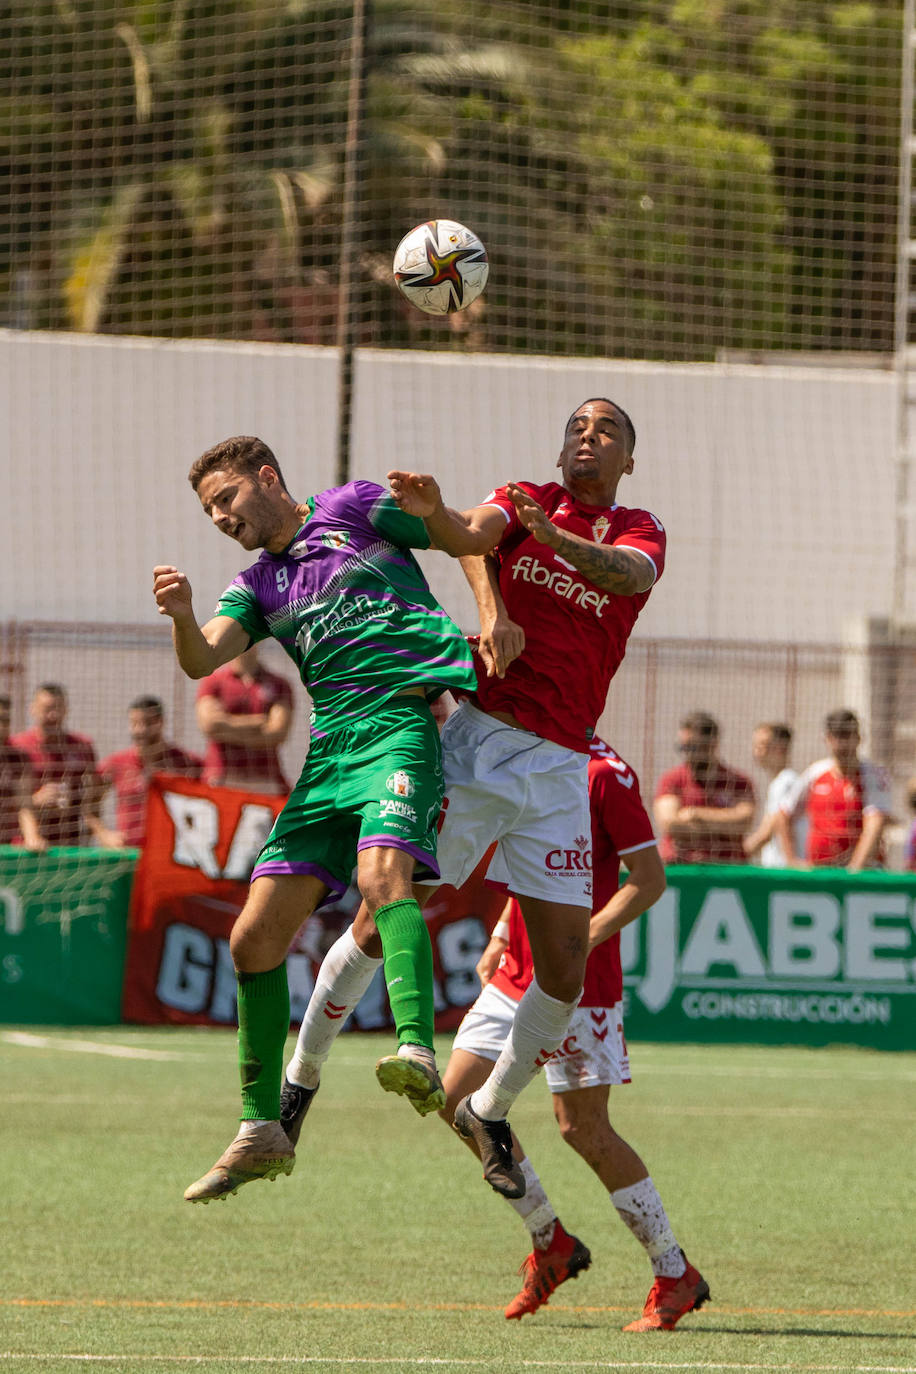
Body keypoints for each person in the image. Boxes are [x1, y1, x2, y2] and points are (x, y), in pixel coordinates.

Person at [281, 397, 666, 1200]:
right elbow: (471, 535)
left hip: (563, 768)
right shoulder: (524, 498)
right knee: (378, 921)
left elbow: (626, 575)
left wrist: (552, 539)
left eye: (606, 432)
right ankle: (297, 1086)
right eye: (575, 428)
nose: (587, 438)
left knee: (562, 968)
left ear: (628, 459)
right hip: (483, 746)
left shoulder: (639, 528)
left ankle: (490, 1110)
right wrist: (437, 515)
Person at [153, 434, 477, 1203]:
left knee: (381, 876)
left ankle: (416, 1049)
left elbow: (459, 537)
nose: (220, 517)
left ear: (268, 478)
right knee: (252, 939)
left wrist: (454, 546)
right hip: (330, 755)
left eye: (226, 498)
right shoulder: (257, 584)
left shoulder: (355, 507)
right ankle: (261, 1129)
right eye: (209, 511)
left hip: (401, 724)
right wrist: (182, 614)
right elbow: (202, 661)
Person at [441, 738, 708, 1331]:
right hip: (516, 975)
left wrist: (578, 941)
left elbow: (648, 878)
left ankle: (674, 1273)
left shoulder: (605, 775)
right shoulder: (526, 753)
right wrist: (505, 935)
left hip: (578, 984)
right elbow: (531, 859)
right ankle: (551, 1239)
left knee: (582, 1127)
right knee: (457, 1101)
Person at [776, 709, 892, 871]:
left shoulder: (872, 775)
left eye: (847, 735)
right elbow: (783, 815)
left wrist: (854, 870)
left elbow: (875, 824)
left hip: (861, 872)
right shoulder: (815, 773)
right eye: (836, 736)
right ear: (827, 739)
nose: (842, 743)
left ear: (858, 738)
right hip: (820, 870)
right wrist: (791, 861)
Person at [92, 696, 203, 848]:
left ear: (161, 722)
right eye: (134, 723)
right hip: (130, 855)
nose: (140, 730)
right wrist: (104, 834)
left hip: (172, 856)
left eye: (147, 723)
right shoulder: (116, 764)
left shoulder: (187, 763)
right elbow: (89, 803)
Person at [653, 712, 755, 864]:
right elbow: (670, 823)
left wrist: (695, 814)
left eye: (693, 747)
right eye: (683, 747)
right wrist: (724, 823)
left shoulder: (738, 781)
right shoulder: (673, 779)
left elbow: (743, 823)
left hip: (726, 867)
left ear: (712, 744)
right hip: (681, 864)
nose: (687, 753)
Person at [10, 683, 99, 847]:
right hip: (26, 845)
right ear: (33, 709)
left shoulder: (82, 746)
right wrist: (35, 800)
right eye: (47, 709)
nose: (53, 715)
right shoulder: (17, 746)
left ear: (66, 710)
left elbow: (94, 796)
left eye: (58, 708)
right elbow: (6, 800)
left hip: (69, 843)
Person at [196, 645, 293, 794]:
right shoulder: (214, 681)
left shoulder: (279, 684)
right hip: (221, 776)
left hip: (264, 778)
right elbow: (210, 725)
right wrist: (257, 723)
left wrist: (226, 726)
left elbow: (277, 733)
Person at [743, 721, 805, 867]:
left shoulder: (786, 781)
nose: (756, 751)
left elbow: (768, 830)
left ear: (781, 748)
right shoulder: (779, 782)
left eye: (762, 745)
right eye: (755, 745)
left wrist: (735, 854)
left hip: (784, 871)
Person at [0, 694, 46, 850]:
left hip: (7, 845)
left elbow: (24, 803)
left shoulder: (18, 757)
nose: (1, 726)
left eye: (5, 720)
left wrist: (32, 836)